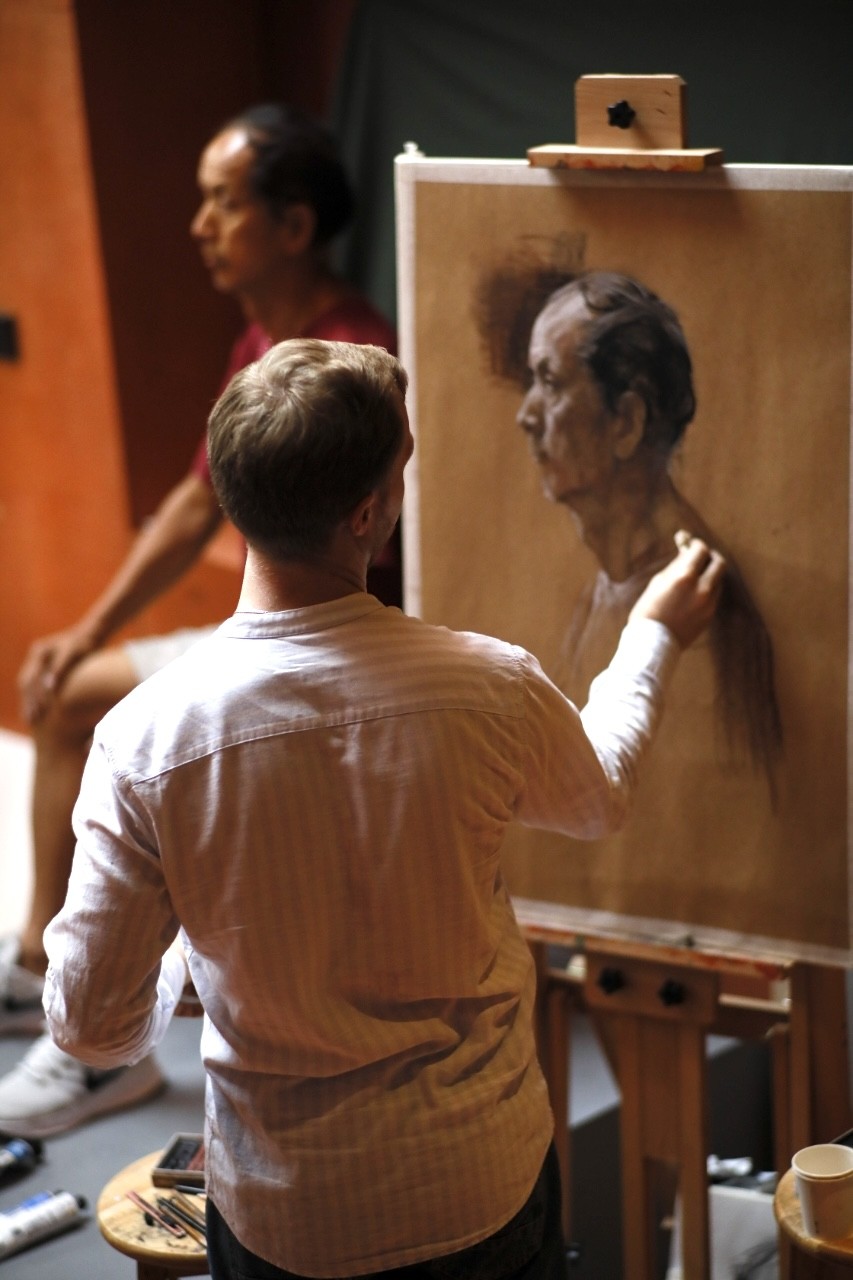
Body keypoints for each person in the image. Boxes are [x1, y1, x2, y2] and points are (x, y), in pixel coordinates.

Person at [42, 338, 723, 1279]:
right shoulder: (486, 685)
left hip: (288, 1215)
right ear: (368, 513)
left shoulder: (142, 742)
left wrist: (179, 959)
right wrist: (649, 635)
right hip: (478, 1186)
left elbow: (90, 1027)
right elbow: (597, 798)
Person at [0, 103, 397, 1137]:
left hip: (328, 652)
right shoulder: (261, 339)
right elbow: (193, 501)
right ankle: (44, 965)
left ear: (294, 224)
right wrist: (86, 631)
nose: (198, 225)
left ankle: (99, 1047)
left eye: (223, 203)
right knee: (65, 697)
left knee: (127, 745)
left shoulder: (358, 356)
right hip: (257, 632)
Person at [516, 270, 782, 800]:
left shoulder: (703, 611)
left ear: (626, 423)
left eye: (550, 382)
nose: (526, 415)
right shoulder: (613, 579)